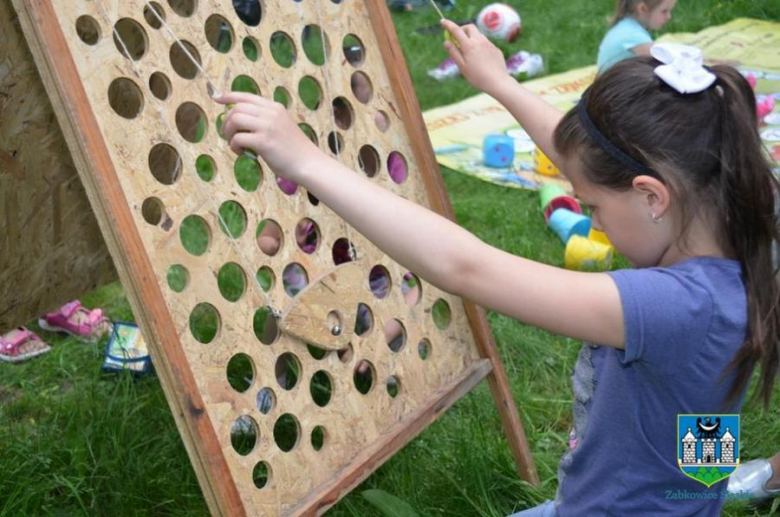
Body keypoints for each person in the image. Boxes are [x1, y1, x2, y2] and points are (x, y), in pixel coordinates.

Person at [215, 19, 779, 516]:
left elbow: (467, 268)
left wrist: (306, 160)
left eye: (593, 208)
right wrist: (498, 83)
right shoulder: (741, 228)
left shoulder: (675, 307)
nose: (596, 224)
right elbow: (590, 161)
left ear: (653, 197)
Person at [597, 0, 677, 73]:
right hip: (615, 87)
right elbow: (663, 66)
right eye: (664, 11)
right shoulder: (635, 37)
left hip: (609, 83)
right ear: (643, 9)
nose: (668, 16)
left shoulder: (627, 26)